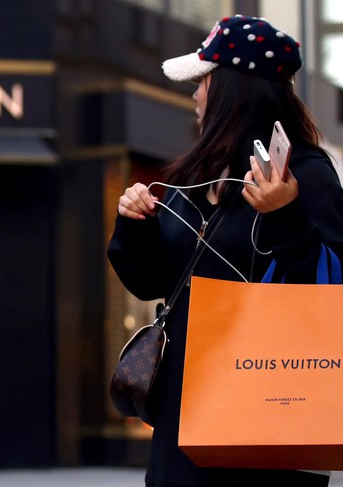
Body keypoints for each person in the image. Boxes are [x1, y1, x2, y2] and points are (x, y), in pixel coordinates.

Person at [107, 15, 343, 487]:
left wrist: (286, 216)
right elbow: (151, 283)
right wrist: (136, 225)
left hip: (266, 412)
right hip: (184, 416)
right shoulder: (198, 176)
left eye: (203, 81)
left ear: (233, 88)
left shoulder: (306, 175)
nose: (195, 95)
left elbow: (328, 296)